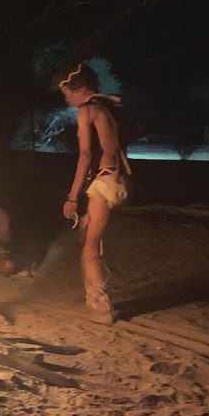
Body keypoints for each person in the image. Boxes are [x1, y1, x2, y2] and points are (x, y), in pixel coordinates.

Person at [56, 61, 132, 325]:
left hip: (102, 182)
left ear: (79, 89)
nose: (66, 98)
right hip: (113, 181)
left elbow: (86, 155)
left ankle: (101, 308)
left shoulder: (87, 110)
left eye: (67, 93)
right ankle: (96, 300)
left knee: (89, 247)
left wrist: (72, 196)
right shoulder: (106, 108)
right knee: (90, 235)